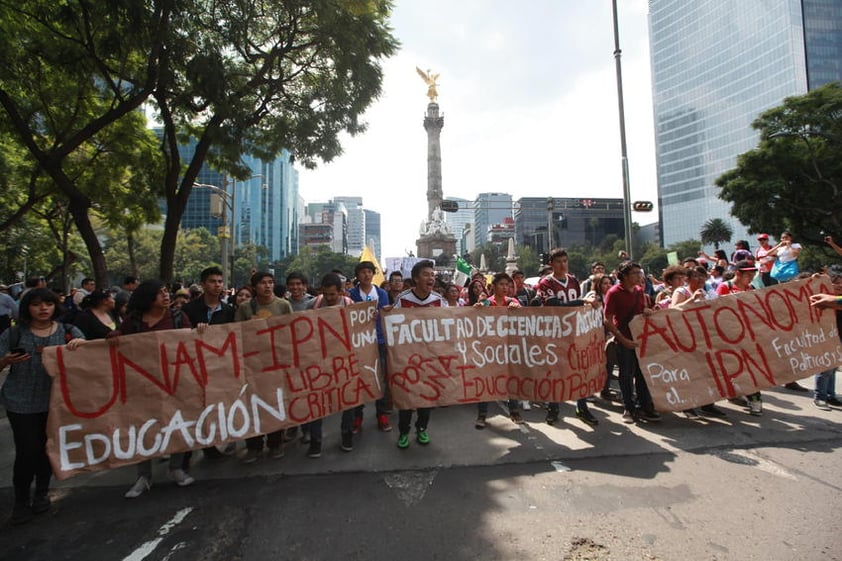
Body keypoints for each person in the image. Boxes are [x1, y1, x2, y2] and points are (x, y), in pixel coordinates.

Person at [0, 288, 86, 523]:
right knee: (27, 450)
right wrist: (6, 360)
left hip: (56, 402)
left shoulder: (69, 332)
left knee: (47, 450)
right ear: (27, 307)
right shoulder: (14, 334)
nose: (43, 309)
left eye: (48, 303)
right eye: (36, 304)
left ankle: (41, 493)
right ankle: (20, 501)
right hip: (20, 402)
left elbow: (90, 359)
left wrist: (80, 346)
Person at [118, 280, 195, 498]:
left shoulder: (179, 318)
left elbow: (190, 344)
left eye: (166, 291)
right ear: (147, 297)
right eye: (160, 293)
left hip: (175, 381)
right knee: (144, 426)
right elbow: (119, 342)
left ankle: (176, 468)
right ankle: (143, 475)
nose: (166, 296)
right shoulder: (132, 322)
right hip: (142, 383)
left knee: (178, 423)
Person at [534, 248, 599, 426]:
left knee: (580, 371)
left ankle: (582, 407)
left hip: (573, 332)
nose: (563, 265)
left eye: (565, 261)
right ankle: (553, 408)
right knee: (556, 373)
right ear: (551, 264)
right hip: (554, 333)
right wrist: (584, 301)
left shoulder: (572, 280)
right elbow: (556, 305)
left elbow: (575, 307)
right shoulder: (546, 282)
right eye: (558, 262)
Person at [235, 272, 292, 463]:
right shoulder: (244, 308)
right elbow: (235, 334)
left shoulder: (283, 305)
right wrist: (248, 326)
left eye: (270, 282)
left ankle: (275, 443)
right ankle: (254, 446)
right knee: (252, 405)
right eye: (262, 283)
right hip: (252, 364)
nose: (267, 286)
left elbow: (291, 331)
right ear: (254, 287)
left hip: (275, 363)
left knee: (274, 402)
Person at [181, 266, 236, 462]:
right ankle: (184, 457)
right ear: (204, 284)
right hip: (193, 367)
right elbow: (180, 336)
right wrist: (195, 332)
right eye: (213, 281)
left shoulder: (229, 310)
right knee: (194, 410)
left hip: (218, 366)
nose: (217, 285)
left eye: (220, 282)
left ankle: (211, 446)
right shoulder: (189, 309)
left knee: (214, 407)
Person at [394, 260, 446, 449]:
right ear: (416, 278)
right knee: (407, 398)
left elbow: (453, 323)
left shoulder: (440, 301)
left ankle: (422, 428)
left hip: (431, 358)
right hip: (407, 359)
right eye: (426, 274)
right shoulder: (402, 299)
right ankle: (403, 432)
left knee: (427, 397)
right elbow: (394, 326)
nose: (431, 278)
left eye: (433, 275)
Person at [305, 273, 357, 457]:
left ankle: (347, 434)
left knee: (348, 399)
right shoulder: (314, 304)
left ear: (341, 292)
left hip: (344, 360)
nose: (329, 298)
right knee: (317, 399)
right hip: (319, 360)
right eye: (326, 294)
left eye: (333, 295)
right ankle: (316, 441)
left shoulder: (349, 305)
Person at [604, 261, 661, 423]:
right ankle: (628, 407)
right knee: (625, 375)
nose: (639, 276)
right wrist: (622, 339)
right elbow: (607, 319)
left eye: (640, 272)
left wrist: (647, 312)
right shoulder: (614, 292)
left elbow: (640, 313)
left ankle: (645, 406)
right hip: (624, 341)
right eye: (635, 273)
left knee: (642, 374)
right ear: (624, 276)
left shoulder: (639, 291)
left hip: (641, 340)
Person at [473, 273, 525, 428]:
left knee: (511, 380)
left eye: (507, 285)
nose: (505, 288)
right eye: (502, 284)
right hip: (490, 350)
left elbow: (525, 320)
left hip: (509, 348)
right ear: (493, 286)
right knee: (487, 381)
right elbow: (477, 322)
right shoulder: (487, 303)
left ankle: (514, 412)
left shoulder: (513, 302)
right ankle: (482, 415)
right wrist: (477, 309)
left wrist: (518, 310)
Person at [348, 261, 394, 433]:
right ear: (357, 275)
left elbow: (386, 312)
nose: (366, 275)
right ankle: (357, 416)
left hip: (379, 341)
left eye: (369, 271)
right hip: (358, 342)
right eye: (363, 272)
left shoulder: (381, 293)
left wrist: (383, 311)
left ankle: (381, 414)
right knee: (358, 378)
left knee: (379, 377)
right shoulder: (351, 294)